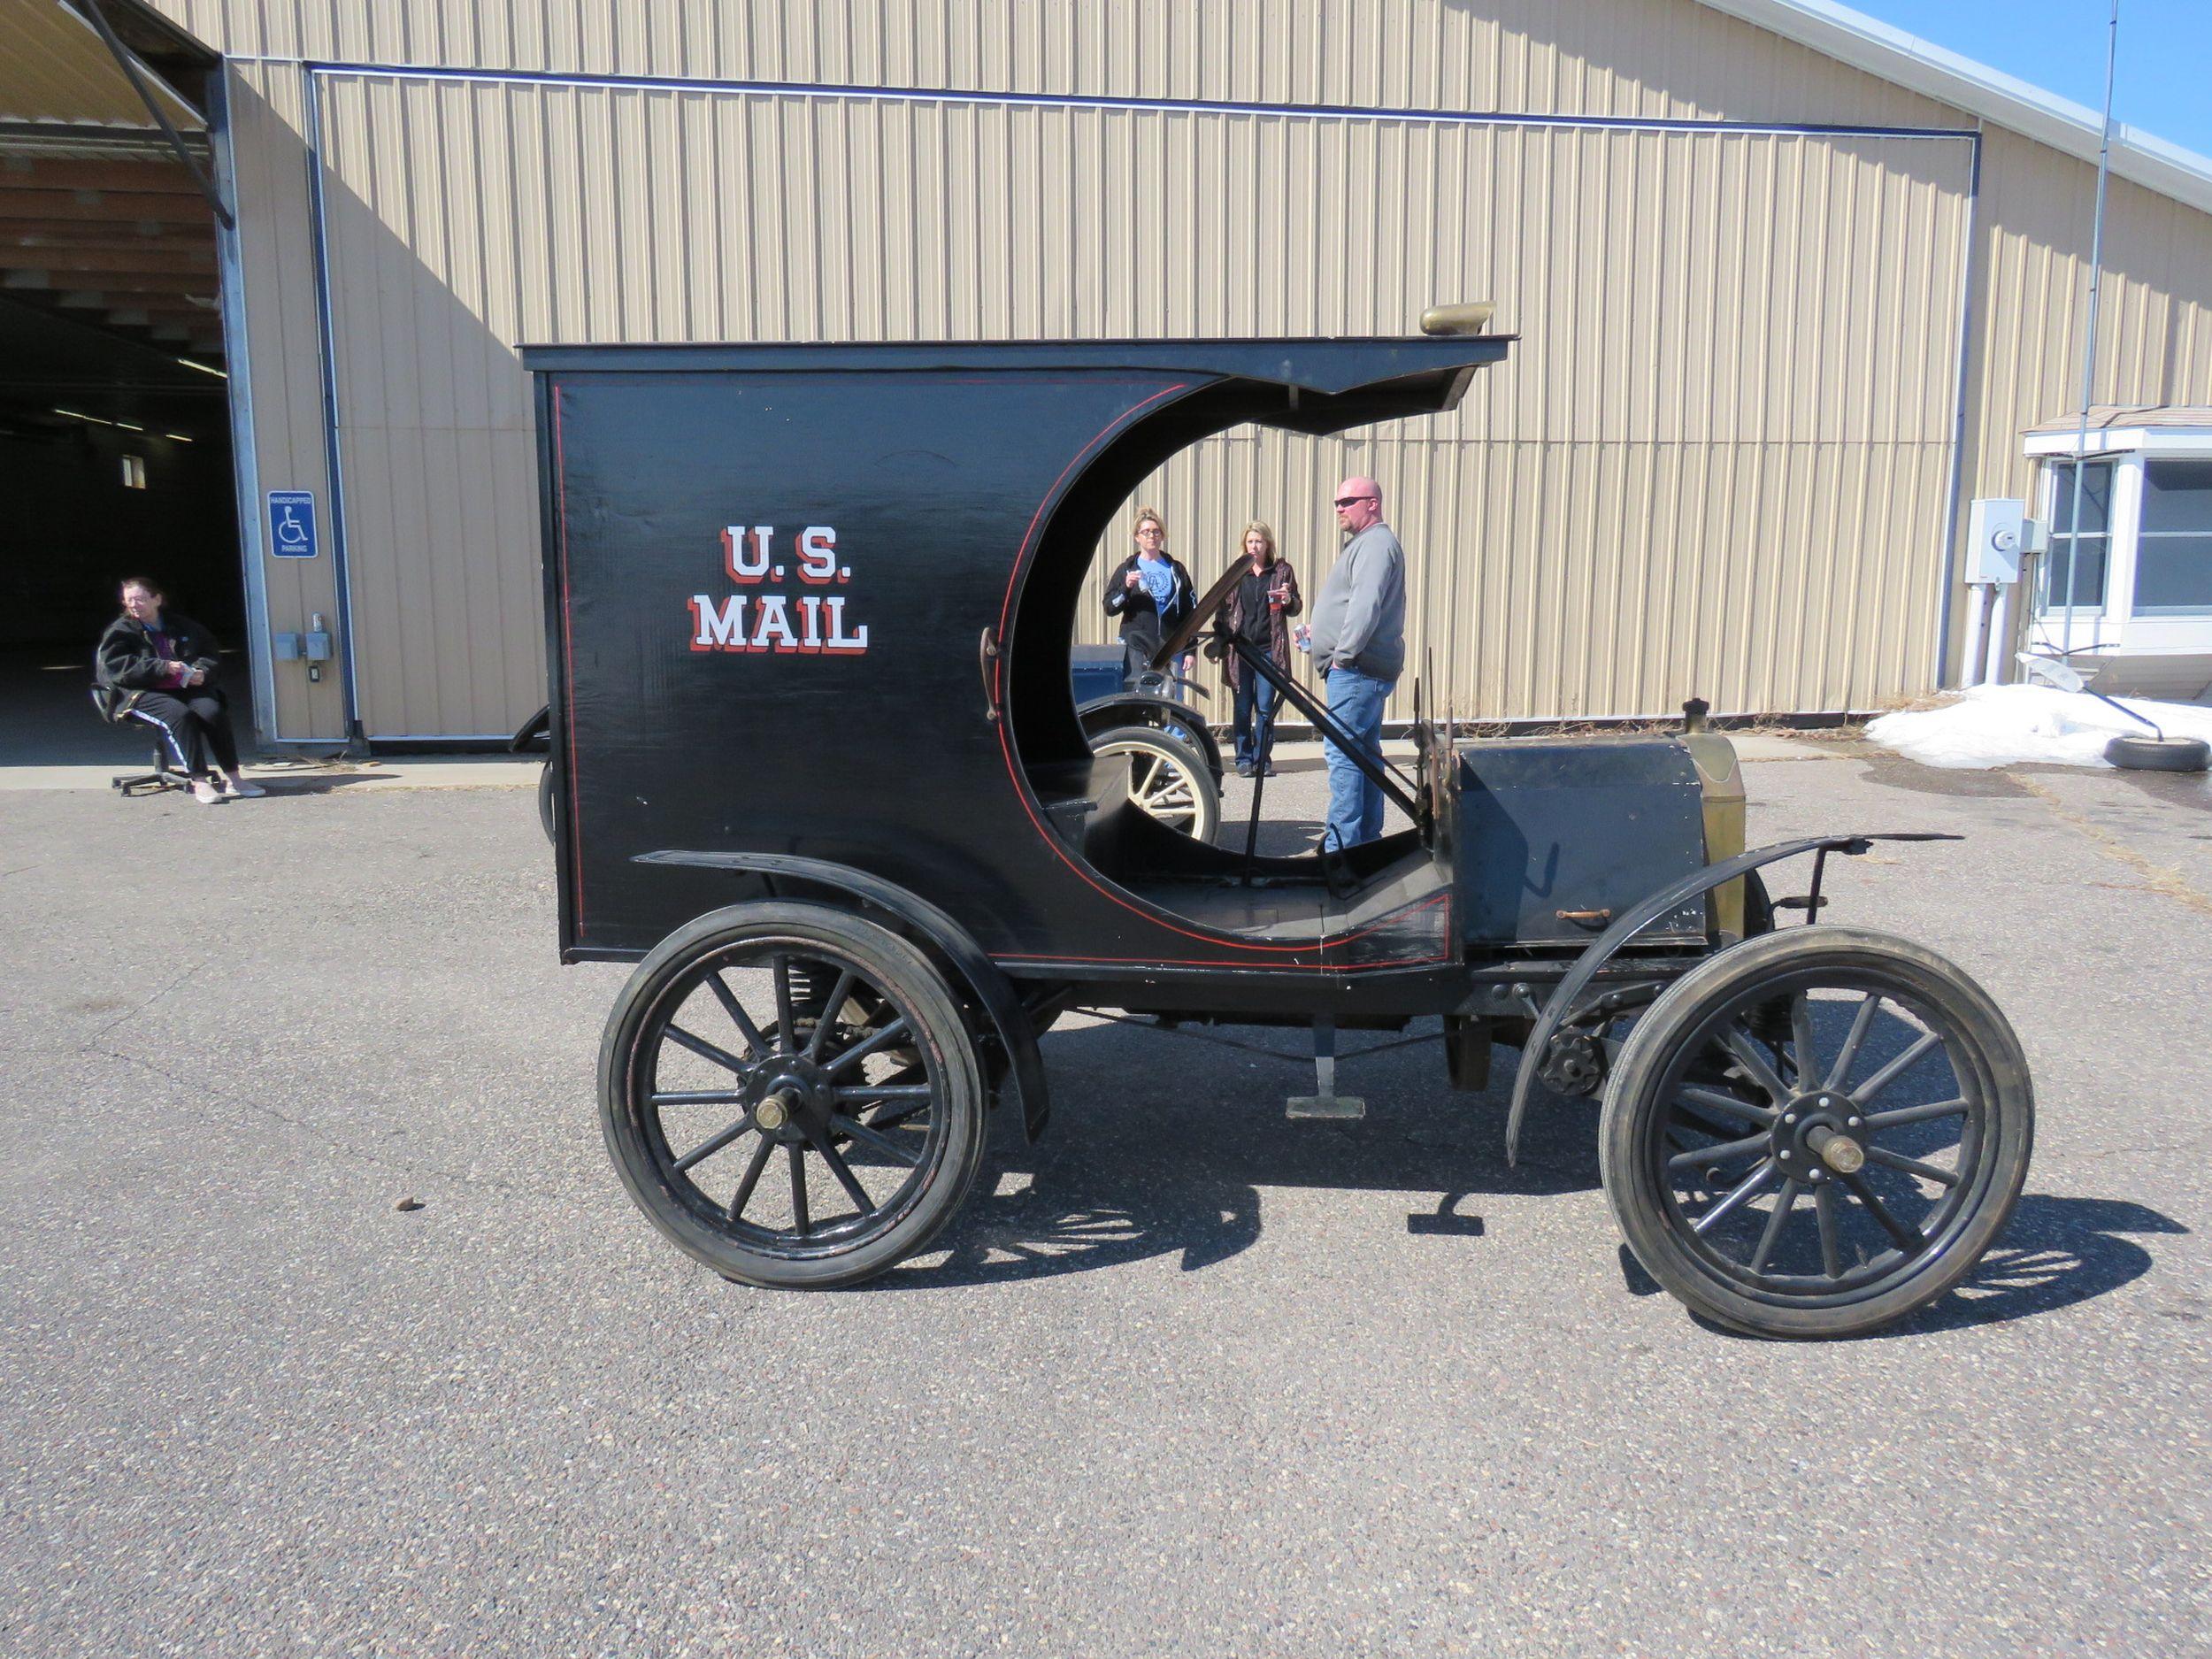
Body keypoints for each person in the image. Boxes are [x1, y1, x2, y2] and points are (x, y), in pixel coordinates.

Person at [95, 577, 263, 805]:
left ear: (157, 599)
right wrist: (162, 667)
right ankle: (200, 780)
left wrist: (203, 672)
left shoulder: (182, 625)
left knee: (212, 712)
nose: (134, 605)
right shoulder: (120, 631)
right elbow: (117, 668)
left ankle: (234, 778)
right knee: (179, 715)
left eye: (140, 599)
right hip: (139, 692)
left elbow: (209, 654)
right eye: (129, 600)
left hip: (184, 687)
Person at [1306, 476, 1406, 850]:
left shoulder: (1376, 544)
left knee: (1344, 753)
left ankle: (1341, 850)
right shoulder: (1367, 544)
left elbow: (1366, 606)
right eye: (1337, 502)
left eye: (1347, 501)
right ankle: (1365, 844)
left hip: (1357, 671)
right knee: (1363, 754)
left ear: (1373, 503)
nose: (1339, 509)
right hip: (1359, 669)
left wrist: (1342, 657)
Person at [1218, 520, 1302, 777]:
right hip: (1241, 651)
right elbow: (1221, 612)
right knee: (1243, 708)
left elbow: (1295, 607)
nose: (1255, 546)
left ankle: (1262, 759)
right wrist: (1221, 642)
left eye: (1259, 541)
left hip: (1268, 650)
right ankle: (1243, 758)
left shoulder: (1281, 571)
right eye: (1251, 541)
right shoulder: (1236, 573)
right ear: (1245, 544)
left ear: (1268, 544)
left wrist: (1289, 600)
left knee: (1265, 708)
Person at [1102, 506, 1196, 695]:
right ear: (1137, 537)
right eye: (1146, 532)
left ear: (1162, 535)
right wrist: (1126, 588)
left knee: (1170, 699)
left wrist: (1190, 650)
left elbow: (1190, 612)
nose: (1151, 536)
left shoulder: (1175, 570)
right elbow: (1109, 607)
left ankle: (1172, 727)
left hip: (1169, 645)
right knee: (1136, 696)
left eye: (1156, 531)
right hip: (1136, 645)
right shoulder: (1127, 569)